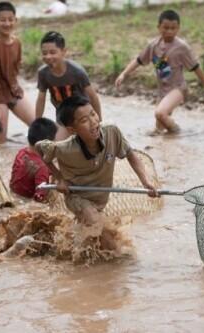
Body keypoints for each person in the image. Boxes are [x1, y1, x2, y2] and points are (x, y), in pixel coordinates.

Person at [35, 96, 158, 260]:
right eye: (85, 120)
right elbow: (39, 148)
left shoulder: (111, 133)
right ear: (72, 130)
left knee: (89, 232)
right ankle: (120, 260)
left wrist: (146, 182)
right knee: (99, 226)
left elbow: (130, 154)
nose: (93, 122)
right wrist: (59, 178)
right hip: (77, 195)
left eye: (93, 114)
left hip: (100, 196)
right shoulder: (65, 148)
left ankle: (70, 251)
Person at [115, 9, 204, 135]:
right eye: (166, 28)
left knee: (160, 113)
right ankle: (172, 142)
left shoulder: (182, 47)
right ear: (159, 27)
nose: (169, 31)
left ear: (178, 28)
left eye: (173, 28)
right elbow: (139, 60)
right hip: (162, 91)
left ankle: (180, 134)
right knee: (159, 129)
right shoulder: (153, 45)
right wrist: (124, 74)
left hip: (177, 89)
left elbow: (196, 67)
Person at [0, 1, 34, 141]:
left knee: (36, 125)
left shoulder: (17, 42)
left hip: (13, 90)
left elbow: (15, 69)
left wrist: (17, 88)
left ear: (16, 20)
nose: (7, 23)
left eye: (10, 19)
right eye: (2, 20)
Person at [36, 31, 102, 140]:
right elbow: (41, 99)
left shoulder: (77, 72)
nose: (48, 56)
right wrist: (37, 123)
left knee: (90, 144)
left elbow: (93, 97)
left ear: (63, 51)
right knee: (59, 147)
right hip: (63, 117)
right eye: (44, 53)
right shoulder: (43, 73)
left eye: (53, 52)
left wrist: (99, 121)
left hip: (83, 116)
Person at [10, 117, 57, 202]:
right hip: (27, 201)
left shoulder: (21, 152)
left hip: (13, 193)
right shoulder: (42, 167)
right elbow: (40, 197)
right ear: (46, 144)